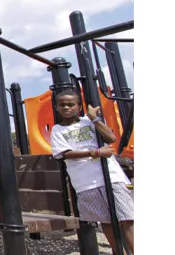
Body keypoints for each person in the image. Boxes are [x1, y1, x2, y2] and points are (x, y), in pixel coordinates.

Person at [49, 90, 134, 254]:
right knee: (106, 221)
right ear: (57, 107)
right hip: (85, 182)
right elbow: (64, 154)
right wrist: (95, 153)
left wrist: (94, 118)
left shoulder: (89, 122)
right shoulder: (58, 130)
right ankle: (118, 251)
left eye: (71, 104)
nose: (67, 108)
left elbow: (111, 138)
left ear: (79, 106)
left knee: (126, 217)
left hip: (111, 176)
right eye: (62, 105)